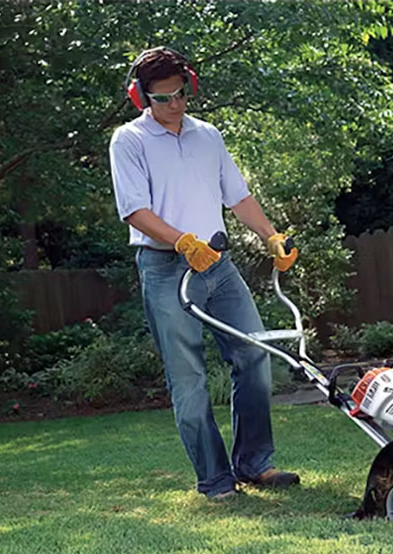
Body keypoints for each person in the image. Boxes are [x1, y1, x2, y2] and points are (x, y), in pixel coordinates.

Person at [109, 47, 300, 500]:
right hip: (165, 268)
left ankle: (254, 464)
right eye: (162, 98)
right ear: (140, 97)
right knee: (188, 377)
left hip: (218, 264)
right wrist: (181, 241)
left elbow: (238, 197)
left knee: (254, 355)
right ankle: (215, 480)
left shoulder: (207, 136)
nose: (174, 105)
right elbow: (135, 210)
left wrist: (271, 236)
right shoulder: (128, 141)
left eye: (180, 94)